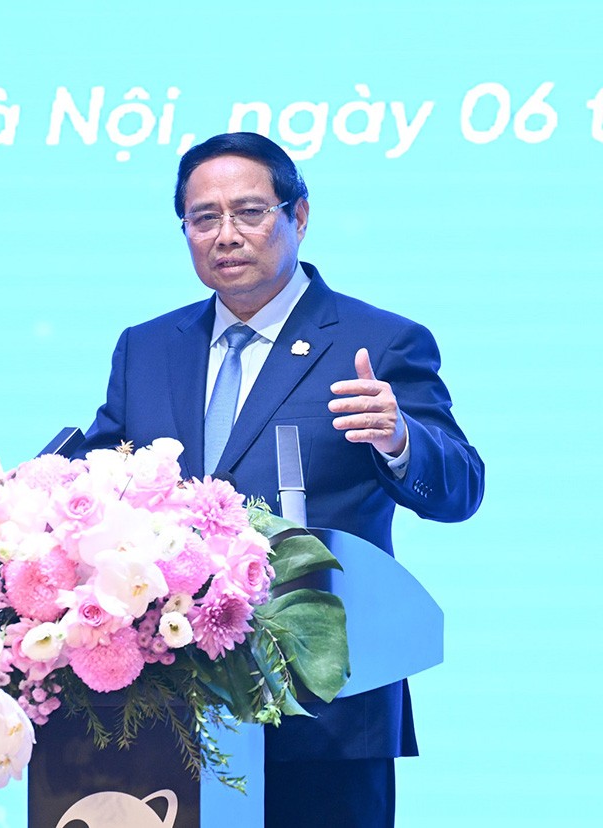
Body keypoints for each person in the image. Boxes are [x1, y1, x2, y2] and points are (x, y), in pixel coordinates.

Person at [76, 132, 485, 827]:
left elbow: (460, 489)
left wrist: (400, 438)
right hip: (168, 717)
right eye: (203, 218)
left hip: (325, 714)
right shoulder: (146, 347)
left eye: (250, 212)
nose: (226, 235)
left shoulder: (379, 341)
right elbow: (97, 469)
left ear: (298, 216)